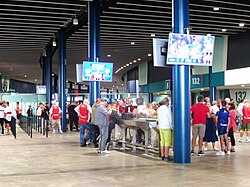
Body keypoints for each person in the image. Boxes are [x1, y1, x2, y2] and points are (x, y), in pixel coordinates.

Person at [157, 97, 173, 161]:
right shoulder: (167, 110)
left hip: (161, 127)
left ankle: (162, 155)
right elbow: (170, 119)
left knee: (162, 142)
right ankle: (166, 156)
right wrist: (172, 127)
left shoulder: (159, 109)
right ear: (167, 103)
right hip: (167, 127)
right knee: (167, 142)